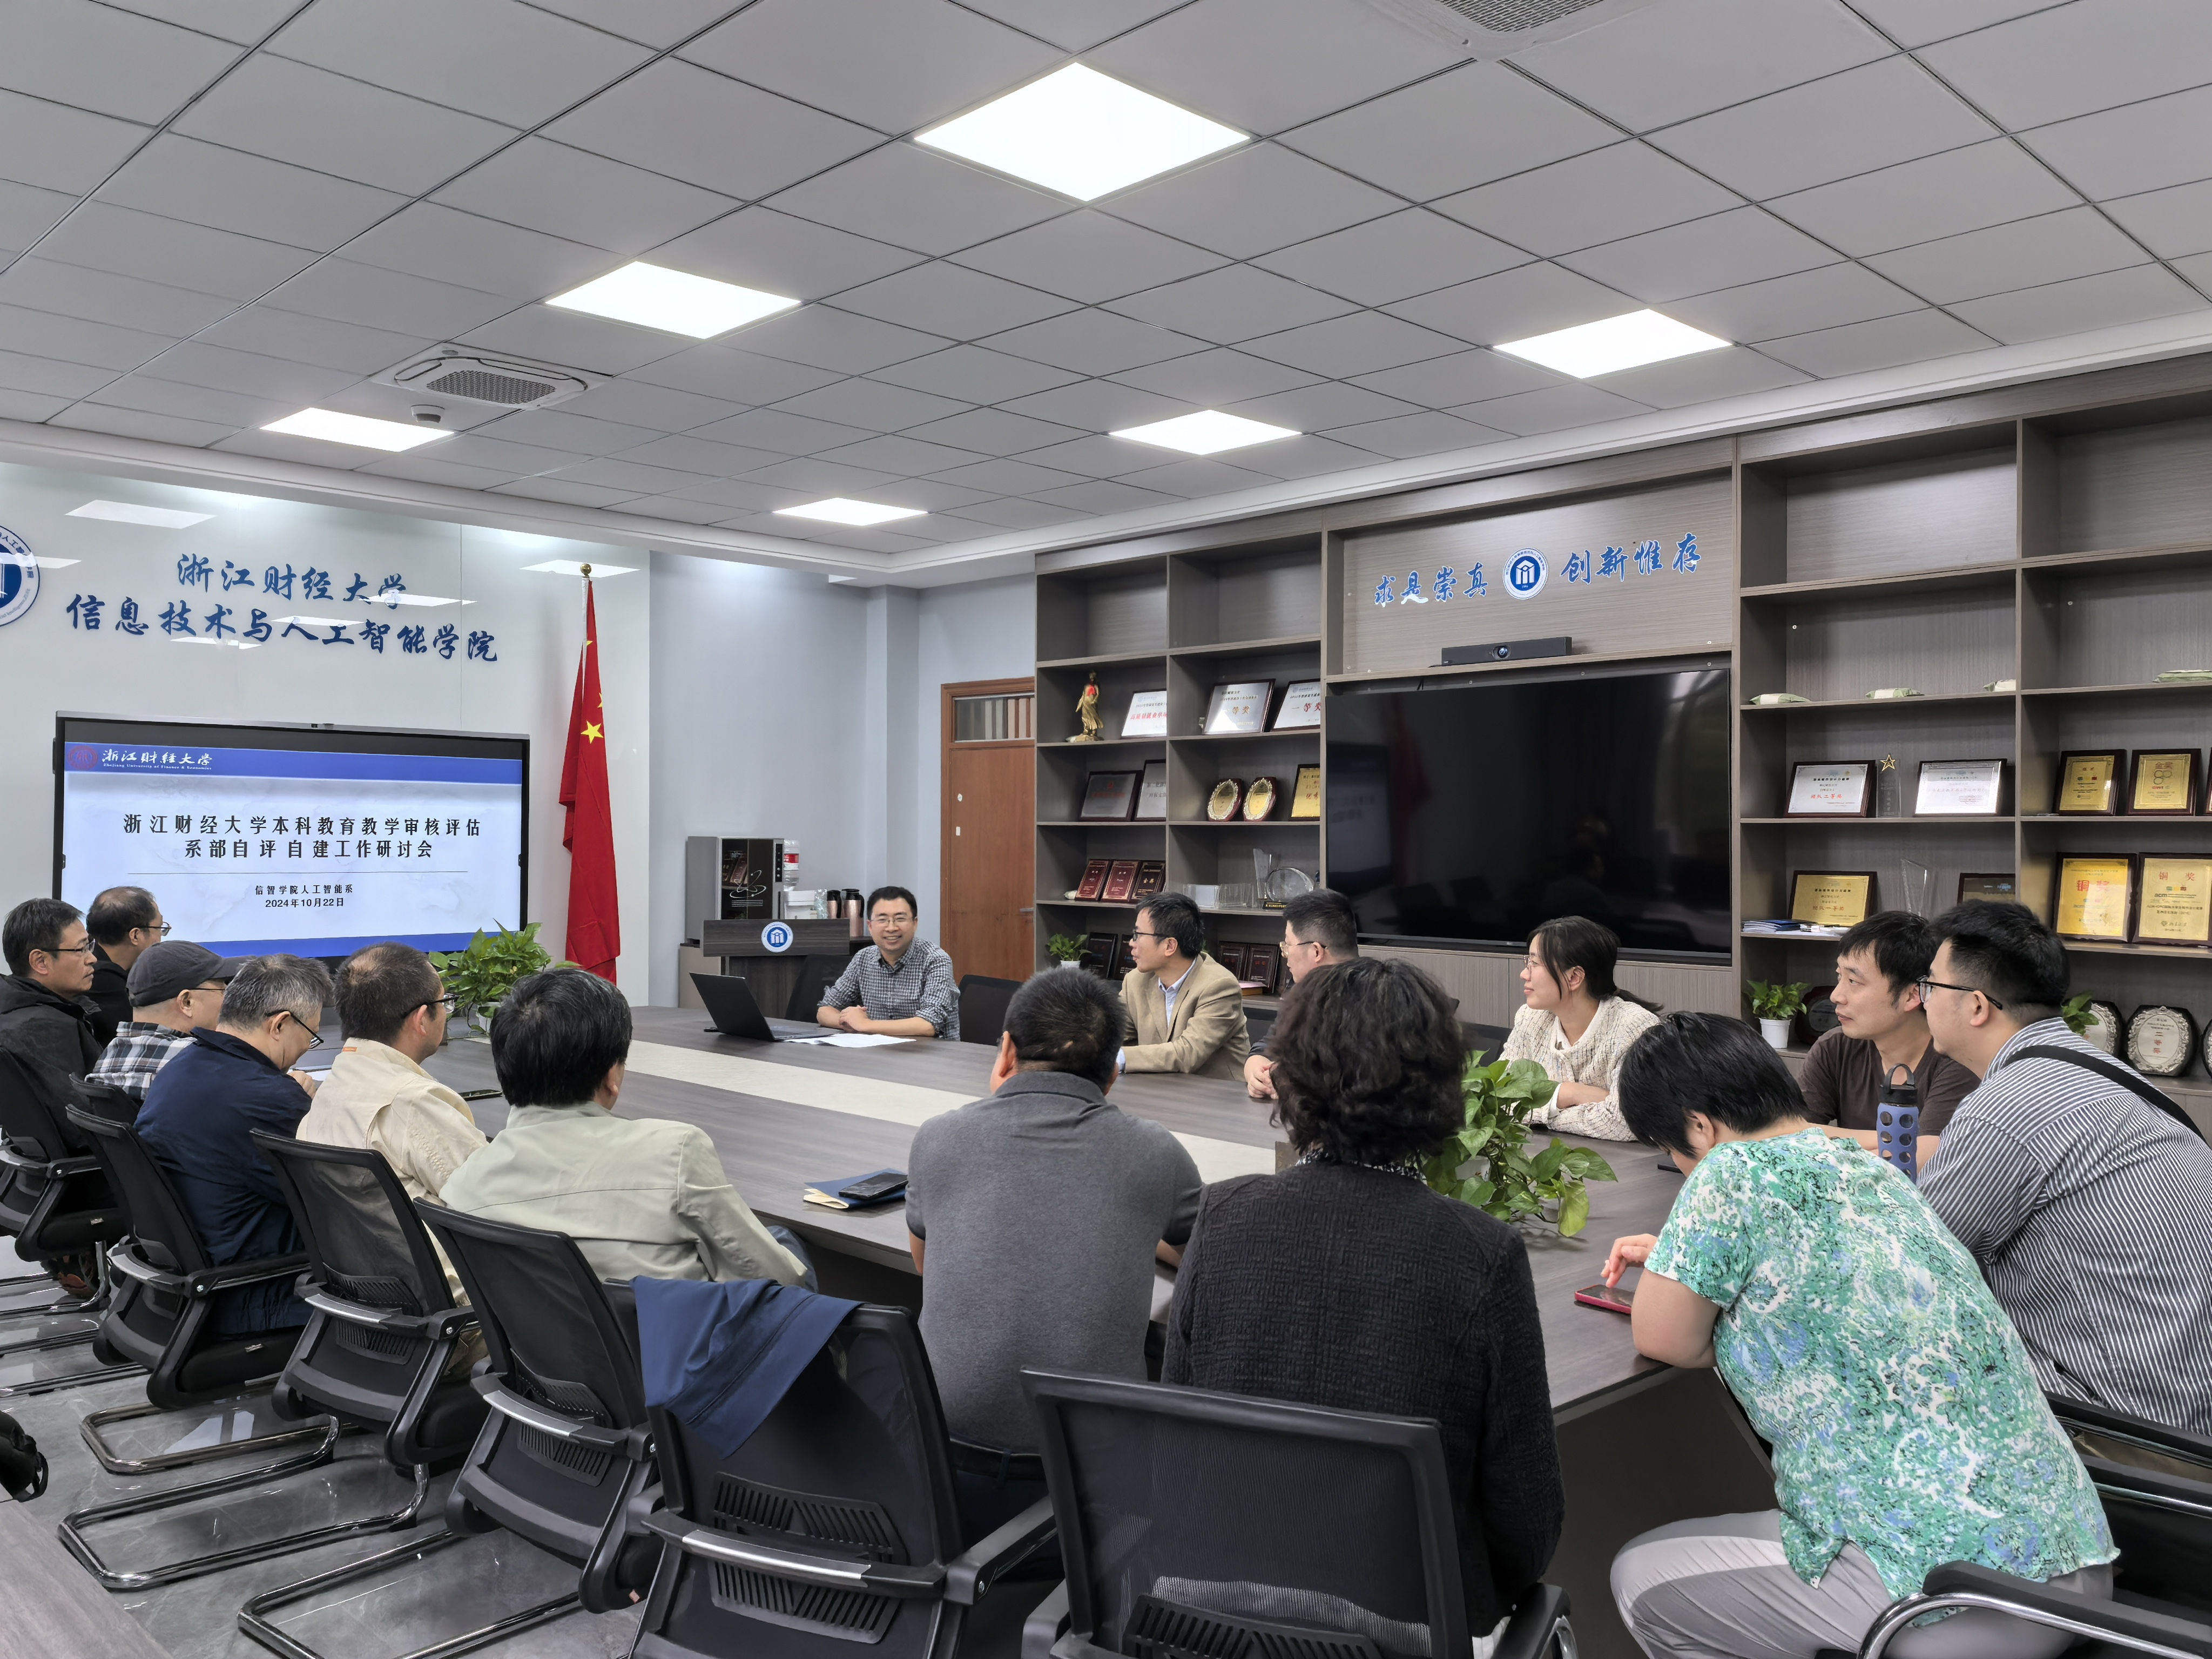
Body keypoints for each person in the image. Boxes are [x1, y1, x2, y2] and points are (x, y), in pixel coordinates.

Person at [1603, 1013, 2115, 1659]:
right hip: (2074, 1565)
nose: (1680, 1166)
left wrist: (1690, 1277)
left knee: (1640, 1578)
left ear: (1699, 1127)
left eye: (1670, 1148)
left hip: (1947, 1600)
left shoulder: (1727, 1170)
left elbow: (1665, 1337)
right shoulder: (1873, 1169)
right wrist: (1691, 1264)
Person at [1167, 957, 1562, 1650]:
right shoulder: (1481, 1252)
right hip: (1404, 1626)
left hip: (1216, 1617)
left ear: (1290, 1079)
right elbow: (1525, 1524)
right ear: (1439, 1085)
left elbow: (1178, 1439)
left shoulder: (1223, 1215)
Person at [906, 969, 1201, 1546]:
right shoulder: (1155, 1154)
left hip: (943, 1480)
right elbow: (1202, 1262)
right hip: (1092, 1498)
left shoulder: (938, 1137)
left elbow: (926, 1266)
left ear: (1007, 1050)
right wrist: (1135, 1223)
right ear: (1113, 1072)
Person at [1919, 902, 2212, 1435]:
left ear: (1976, 1006)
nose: (1923, 1000)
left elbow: (1917, 1264)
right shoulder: (2110, 1073)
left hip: (2122, 1425)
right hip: (2188, 1403)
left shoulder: (2007, 1107)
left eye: (1930, 986)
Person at [441, 967, 806, 1286]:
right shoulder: (675, 1153)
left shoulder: (463, 1187)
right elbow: (778, 1281)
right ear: (611, 1076)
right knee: (787, 1247)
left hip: (538, 1347)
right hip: (676, 1345)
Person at [136, 955, 334, 1336]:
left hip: (187, 1283)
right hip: (262, 1293)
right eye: (310, 1035)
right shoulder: (268, 1099)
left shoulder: (180, 1067)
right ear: (280, 1024)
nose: (307, 1048)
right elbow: (335, 1201)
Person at [300, 943, 486, 1207]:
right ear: (422, 1019)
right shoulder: (413, 1103)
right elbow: (496, 1202)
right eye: (444, 1002)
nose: (446, 1012)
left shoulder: (327, 1092)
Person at [1800, 910, 1975, 1163]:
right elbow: (1791, 1133)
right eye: (1840, 977)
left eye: (1854, 981)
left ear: (1913, 995)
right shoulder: (1835, 1048)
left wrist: (1831, 1143)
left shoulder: (1957, 1062)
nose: (1836, 996)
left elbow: (1921, 1159)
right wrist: (1895, 1140)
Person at [1501, 916, 1660, 1140]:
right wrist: (1567, 1094)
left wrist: (1542, 1110)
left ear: (1574, 977)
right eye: (1528, 962)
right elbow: (1497, 1099)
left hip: (1629, 1160)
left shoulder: (1633, 1027)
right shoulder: (1531, 1018)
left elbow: (1626, 1122)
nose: (1524, 974)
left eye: (1535, 964)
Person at [87, 940, 242, 1103]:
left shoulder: (108, 1056)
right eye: (223, 990)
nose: (228, 1000)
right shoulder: (204, 1062)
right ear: (186, 1002)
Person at [1119, 892, 1250, 1080]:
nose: (1132, 943)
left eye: (1138, 935)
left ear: (1169, 946)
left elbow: (1187, 1053)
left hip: (1217, 1092)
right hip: (1156, 1088)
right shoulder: (1135, 981)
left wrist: (1120, 1057)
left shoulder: (1219, 986)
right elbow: (1115, 1038)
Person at [1244, 887, 1358, 1100]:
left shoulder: (1372, 1000)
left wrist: (1292, 1081)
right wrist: (1258, 1074)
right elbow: (1265, 1048)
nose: (1285, 955)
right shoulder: (1300, 990)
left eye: (1287, 945)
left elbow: (1350, 1077)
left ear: (1316, 951)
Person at [816, 886, 958, 1040]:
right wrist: (849, 1021)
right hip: (878, 1050)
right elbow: (825, 1010)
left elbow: (928, 1025)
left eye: (900, 919)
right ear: (870, 926)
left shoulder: (936, 960)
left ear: (915, 924)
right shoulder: (863, 958)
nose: (891, 928)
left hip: (930, 1052)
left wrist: (865, 1025)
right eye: (882, 920)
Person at [0, 898, 105, 1085]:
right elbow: (83, 1102)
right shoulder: (49, 1032)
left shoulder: (11, 1003)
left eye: (89, 946)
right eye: (81, 949)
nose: (92, 959)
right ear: (41, 962)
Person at [84, 886, 166, 1047]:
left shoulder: (96, 966)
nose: (160, 937)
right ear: (136, 935)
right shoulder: (104, 982)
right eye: (159, 928)